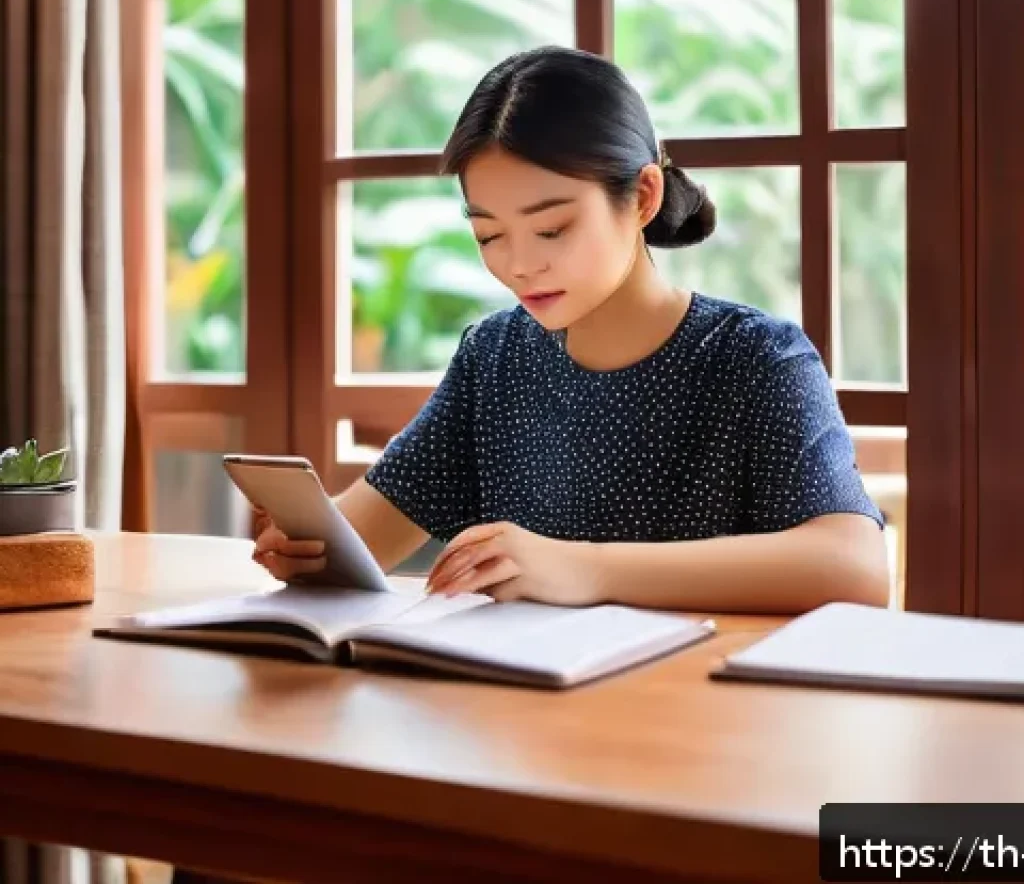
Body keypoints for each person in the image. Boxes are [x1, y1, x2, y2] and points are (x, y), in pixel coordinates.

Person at [254, 45, 890, 614]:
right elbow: (365, 539)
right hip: (524, 722)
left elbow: (855, 567)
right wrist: (310, 547)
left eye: (552, 228)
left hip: (704, 722)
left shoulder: (754, 357)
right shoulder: (496, 358)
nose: (519, 265)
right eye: (489, 235)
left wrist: (584, 567)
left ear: (641, 198)